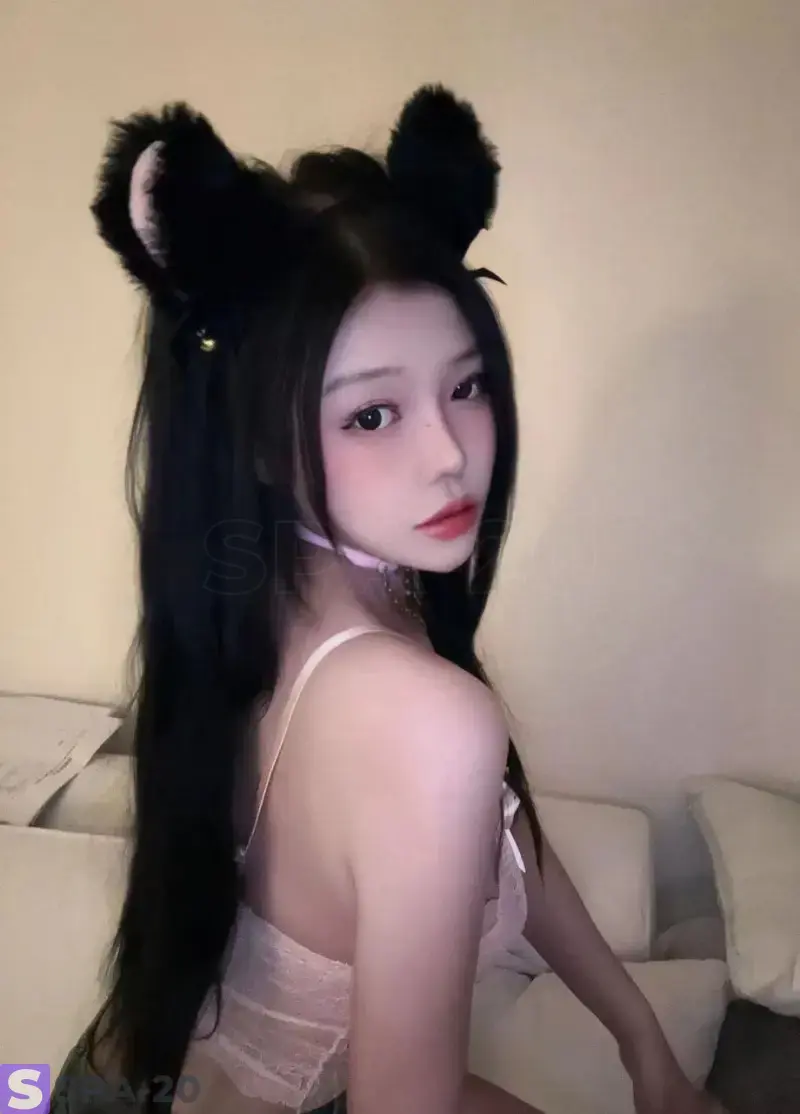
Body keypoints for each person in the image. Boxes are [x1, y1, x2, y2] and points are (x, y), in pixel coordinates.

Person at [51, 86, 726, 1114]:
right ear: (256, 442)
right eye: (370, 414)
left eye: (467, 385)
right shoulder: (420, 713)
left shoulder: (268, 603)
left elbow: (504, 833)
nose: (449, 453)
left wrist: (641, 1039)